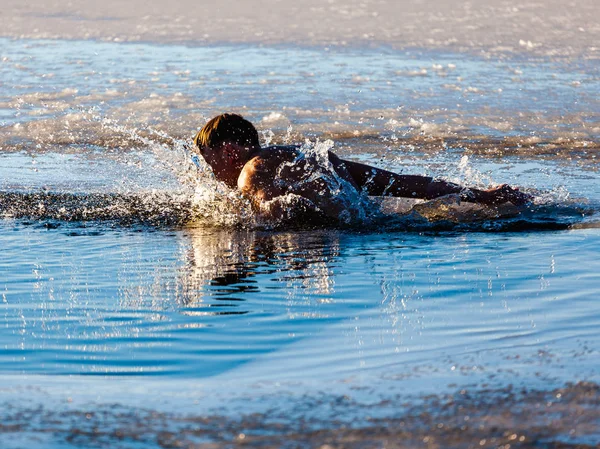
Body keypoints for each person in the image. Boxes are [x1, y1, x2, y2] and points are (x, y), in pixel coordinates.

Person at [193, 113, 530, 223]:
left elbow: (272, 209)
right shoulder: (305, 155)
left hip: (332, 237)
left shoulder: (250, 170)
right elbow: (401, 183)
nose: (211, 171)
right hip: (364, 223)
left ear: (229, 150)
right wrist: (482, 196)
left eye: (210, 159)